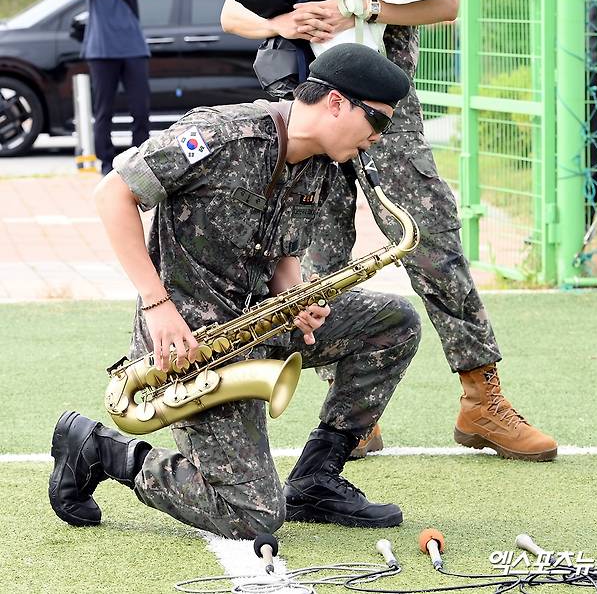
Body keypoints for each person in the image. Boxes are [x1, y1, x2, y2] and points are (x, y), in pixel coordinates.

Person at [222, 0, 557, 462]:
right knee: (321, 255)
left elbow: (446, 5)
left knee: (431, 234)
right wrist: (285, 20)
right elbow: (232, 14)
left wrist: (361, 10)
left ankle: (481, 398)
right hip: (310, 104)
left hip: (383, 108)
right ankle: (354, 410)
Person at [48, 43, 421, 536]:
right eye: (377, 122)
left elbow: (283, 254)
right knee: (255, 515)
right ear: (336, 102)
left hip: (260, 326)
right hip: (190, 346)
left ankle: (317, 477)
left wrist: (296, 297)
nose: (378, 138)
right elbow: (112, 193)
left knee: (394, 321)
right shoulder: (220, 134)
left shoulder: (323, 166)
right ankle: (101, 450)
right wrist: (157, 304)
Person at [69, 0, 154, 176]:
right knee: (104, 110)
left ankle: (139, 161)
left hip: (133, 48)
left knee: (140, 108)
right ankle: (106, 163)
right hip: (101, 49)